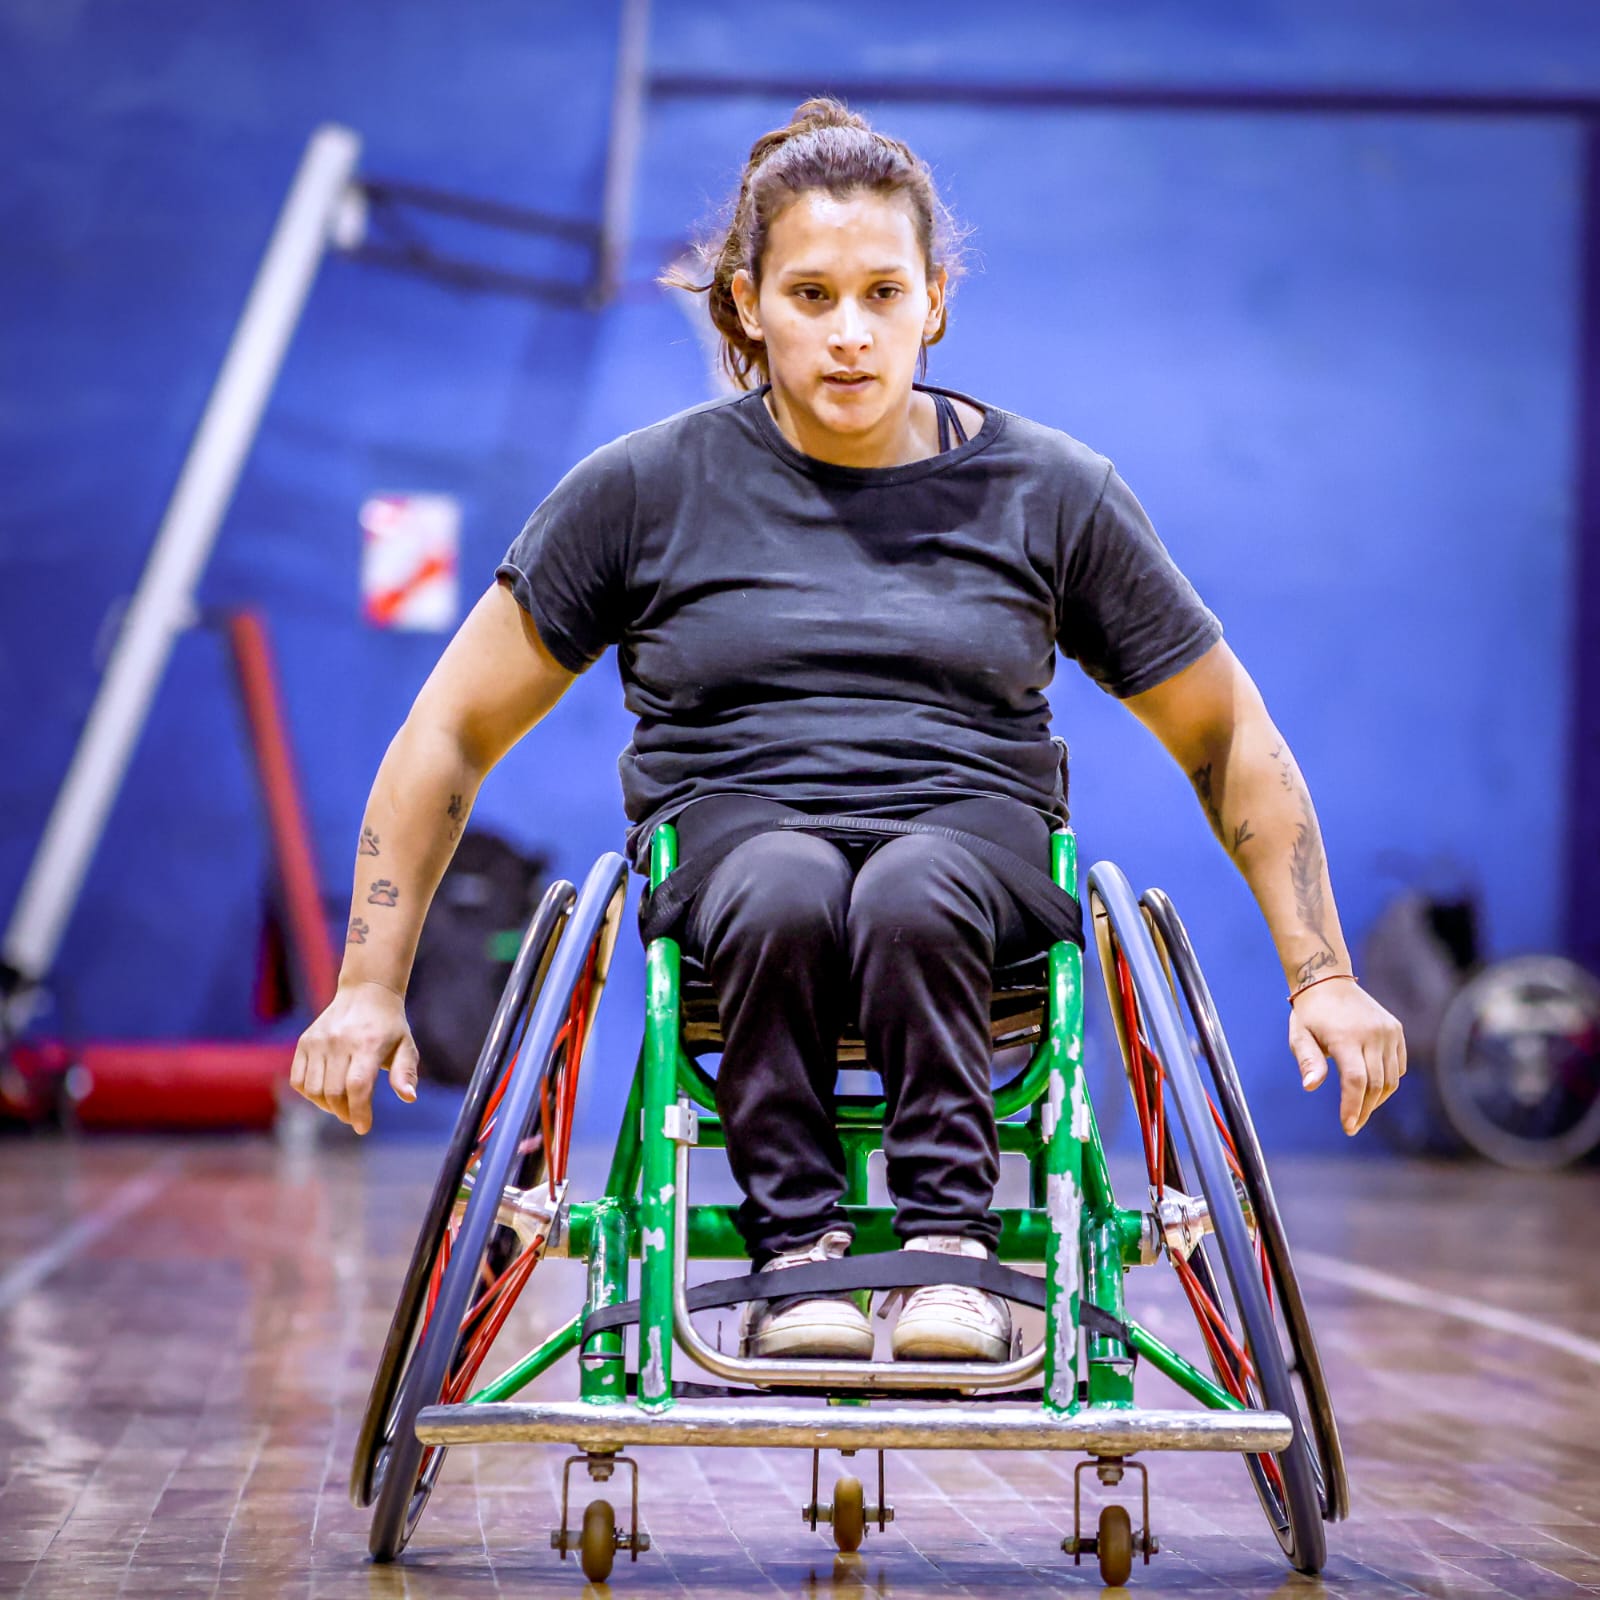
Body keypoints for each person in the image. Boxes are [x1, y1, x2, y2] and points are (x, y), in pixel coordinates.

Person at [291, 98, 1406, 1366]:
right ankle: (796, 1257)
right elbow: (448, 728)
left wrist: (1321, 975)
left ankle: (946, 1253)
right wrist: (366, 989)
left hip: (971, 852)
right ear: (745, 303)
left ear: (935, 300)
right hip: (729, 852)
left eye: (882, 292)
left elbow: (1225, 734)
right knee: (782, 880)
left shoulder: (1054, 492)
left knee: (914, 887)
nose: (850, 333)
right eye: (811, 295)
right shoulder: (640, 490)